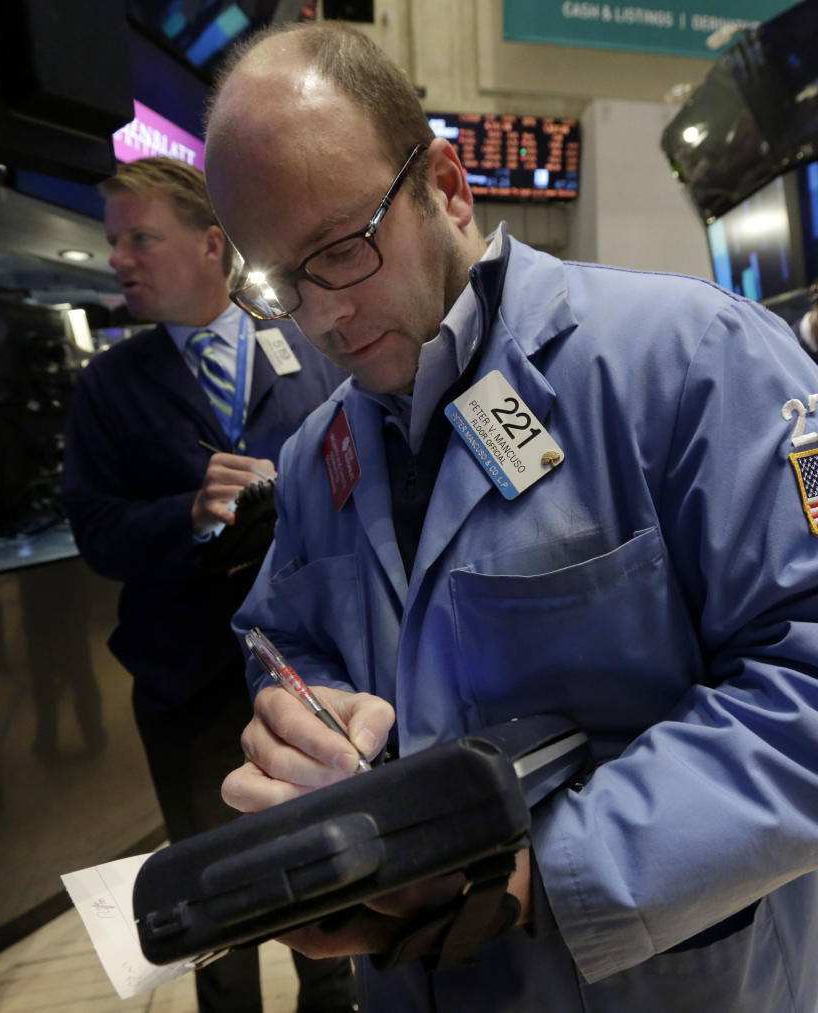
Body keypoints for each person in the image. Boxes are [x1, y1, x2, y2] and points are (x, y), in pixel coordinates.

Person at [202, 21, 818, 1013]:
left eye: (342, 252)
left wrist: (530, 875)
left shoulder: (695, 362)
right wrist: (309, 725)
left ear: (447, 186)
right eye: (278, 282)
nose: (324, 319)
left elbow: (807, 684)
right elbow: (286, 639)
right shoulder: (321, 458)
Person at [59, 156, 355, 1013]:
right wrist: (188, 512)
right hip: (186, 683)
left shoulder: (309, 350)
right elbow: (95, 532)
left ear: (211, 244)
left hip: (312, 669)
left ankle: (331, 995)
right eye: (114, 241)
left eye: (141, 238)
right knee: (214, 896)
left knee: (326, 871)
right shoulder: (108, 388)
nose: (120, 258)